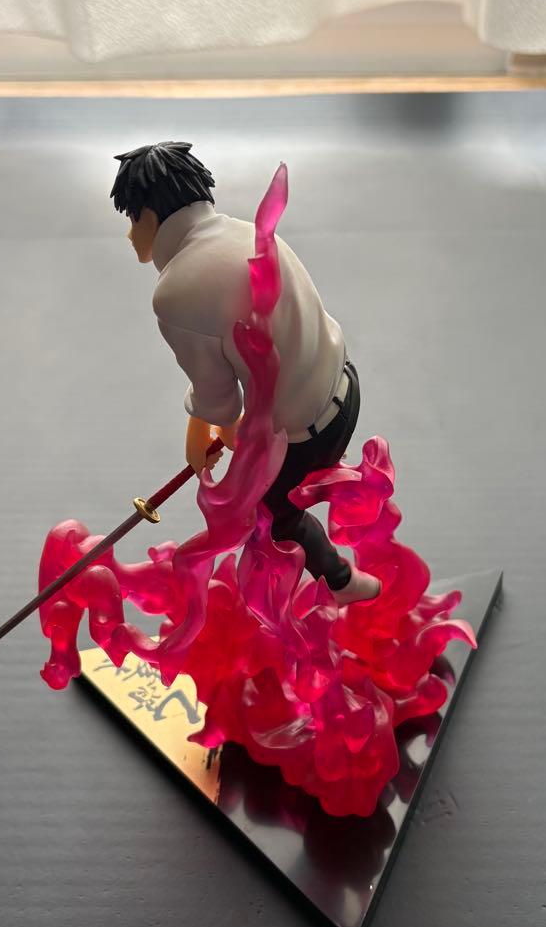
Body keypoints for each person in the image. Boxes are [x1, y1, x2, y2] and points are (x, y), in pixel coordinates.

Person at [111, 141, 380, 606]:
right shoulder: (246, 233)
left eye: (132, 220)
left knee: (266, 520)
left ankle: (342, 584)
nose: (131, 234)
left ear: (150, 217)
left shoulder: (176, 292)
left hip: (306, 434)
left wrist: (202, 435)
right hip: (346, 386)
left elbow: (220, 403)